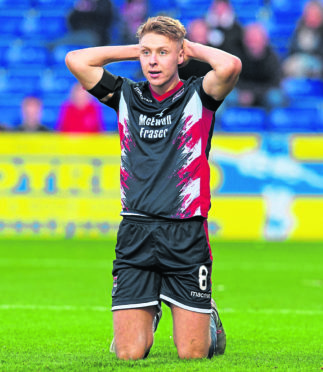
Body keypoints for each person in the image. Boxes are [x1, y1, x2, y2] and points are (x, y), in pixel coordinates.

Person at [65, 15, 241, 360]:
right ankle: (152, 311)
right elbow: (76, 60)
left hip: (185, 234)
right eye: (147, 53)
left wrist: (187, 47)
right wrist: (136, 49)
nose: (153, 60)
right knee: (130, 353)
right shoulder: (126, 95)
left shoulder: (199, 96)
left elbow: (230, 65)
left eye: (163, 52)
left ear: (180, 56)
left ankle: (208, 318)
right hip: (136, 232)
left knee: (193, 354)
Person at [234, 22, 283, 108]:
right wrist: (245, 92)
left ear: (264, 41)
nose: (252, 44)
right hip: (243, 93)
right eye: (250, 40)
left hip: (265, 94)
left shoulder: (272, 58)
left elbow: (276, 83)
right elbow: (234, 81)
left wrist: (254, 95)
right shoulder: (238, 57)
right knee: (227, 96)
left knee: (275, 98)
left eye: (256, 40)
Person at [282, 0, 323, 78]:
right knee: (288, 66)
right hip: (298, 61)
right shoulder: (299, 28)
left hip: (318, 64)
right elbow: (292, 50)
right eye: (309, 14)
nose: (311, 17)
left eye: (314, 14)